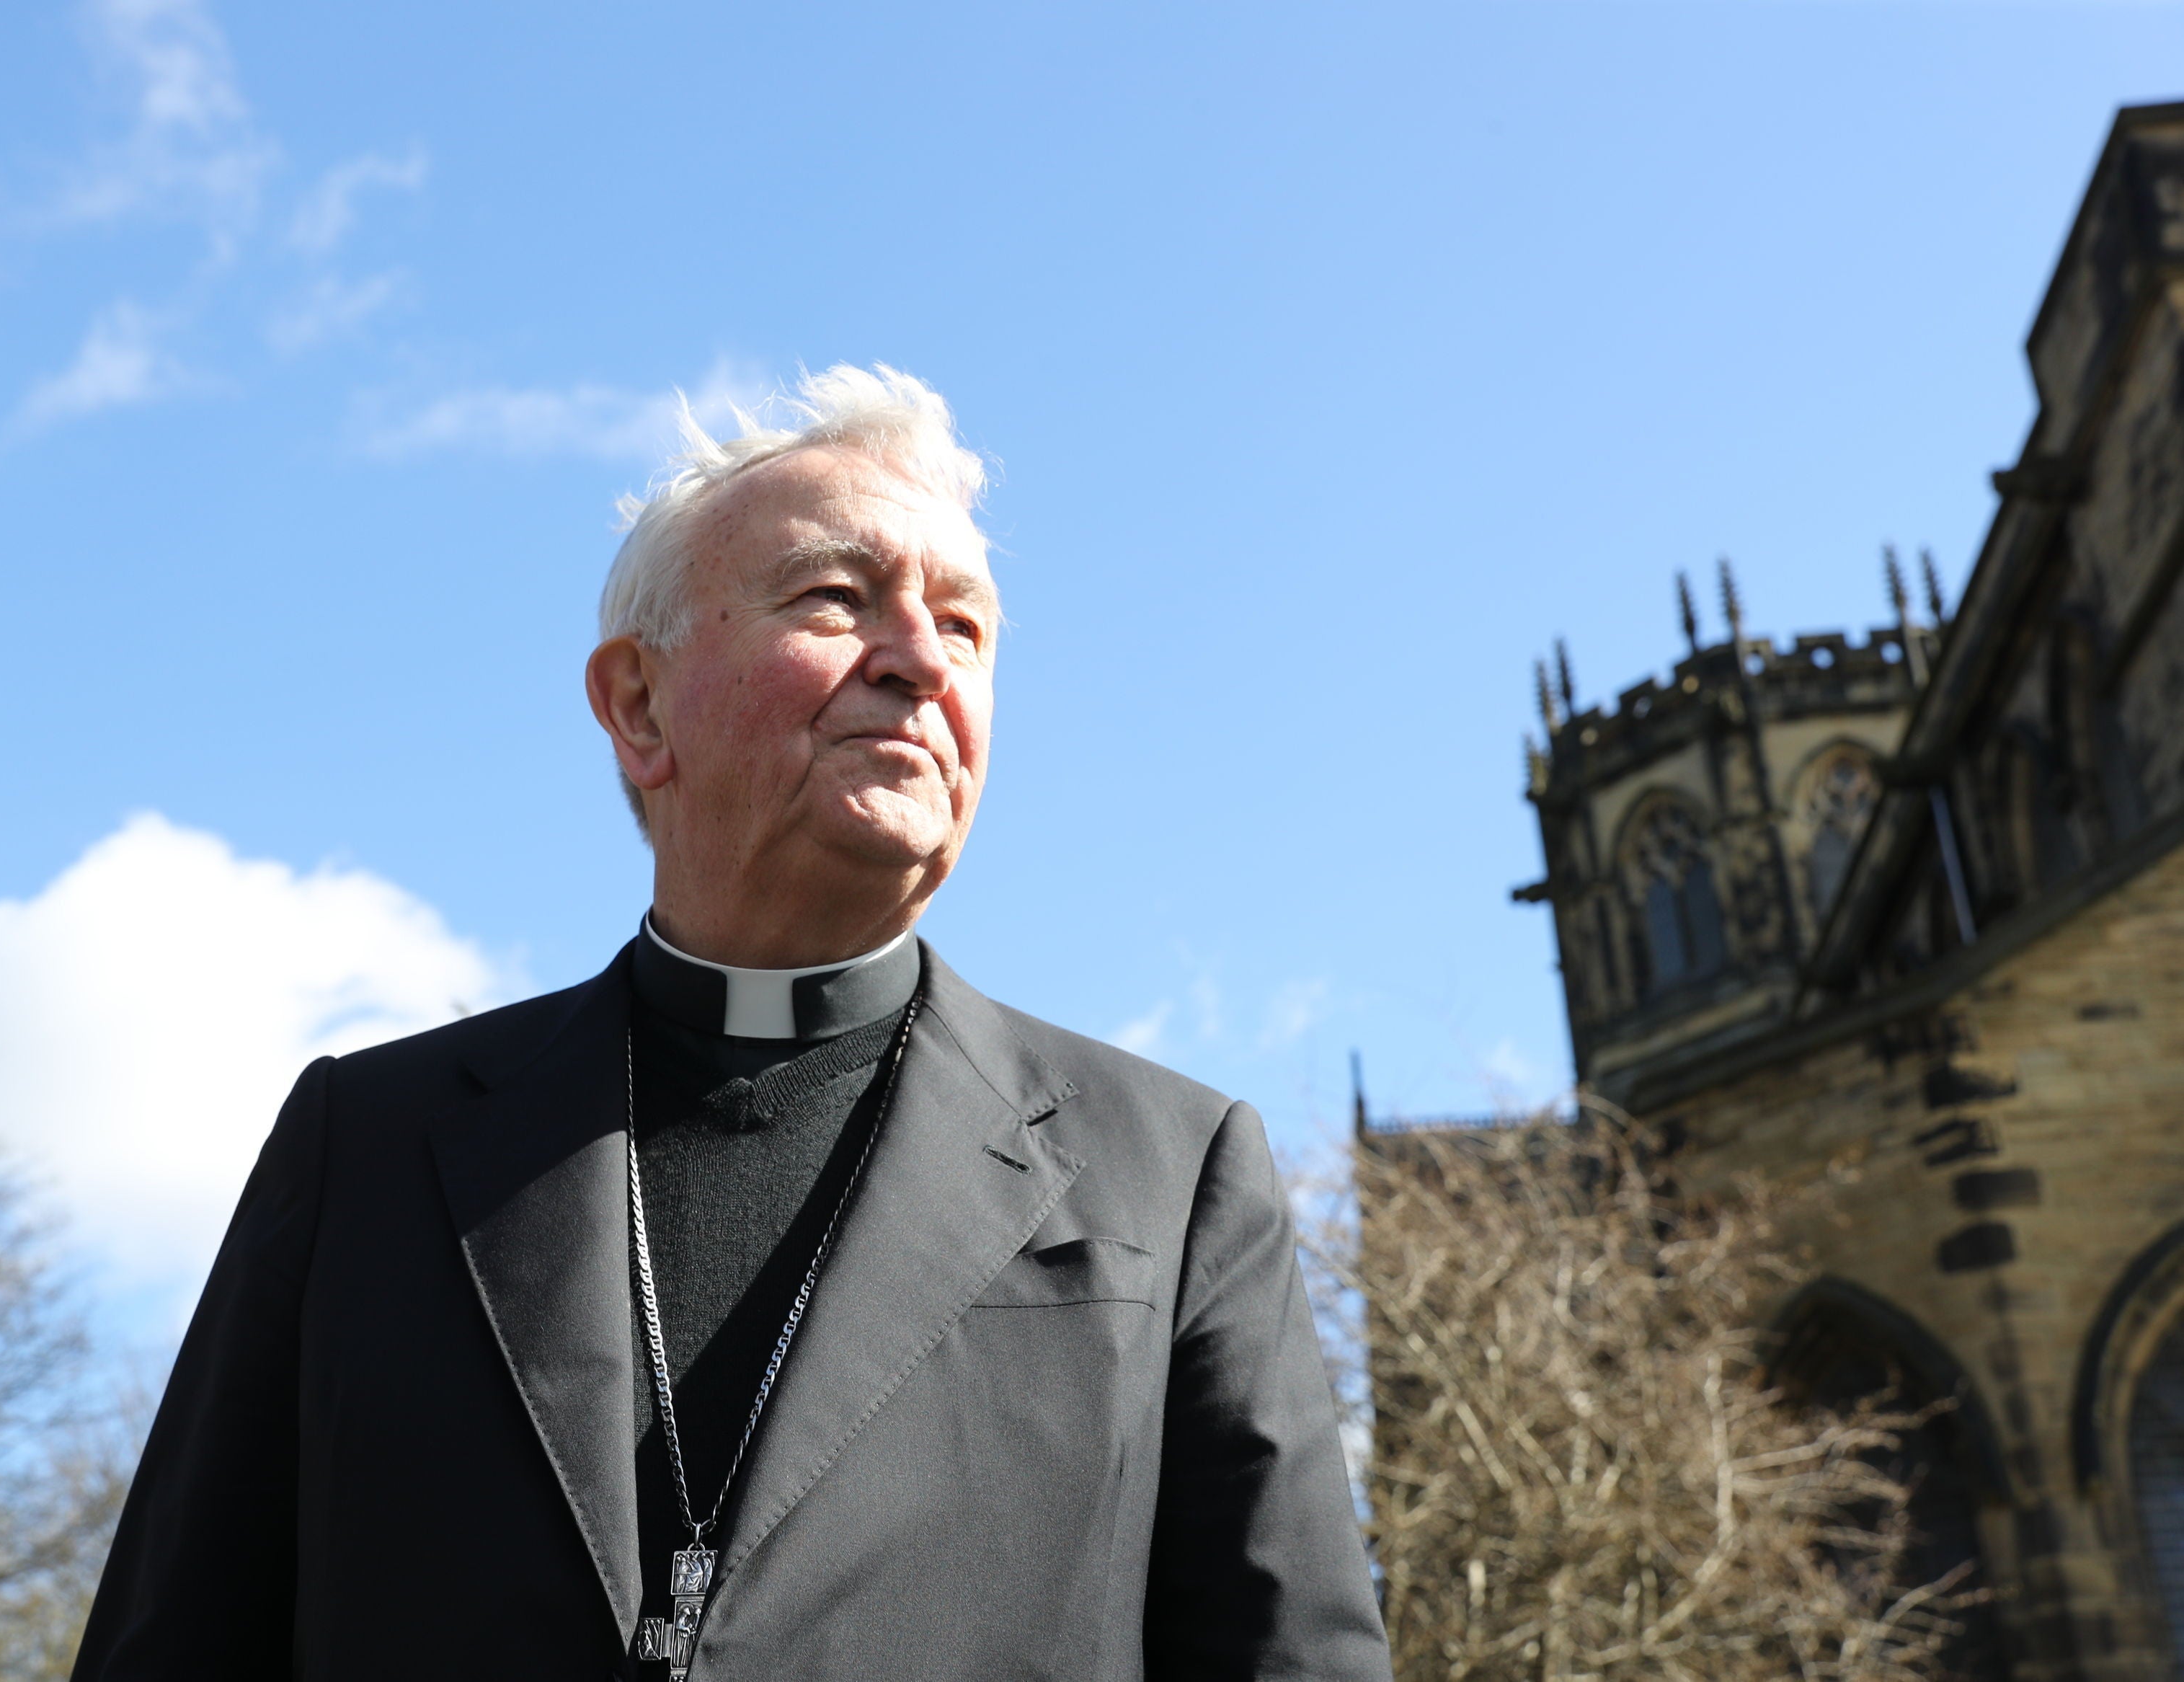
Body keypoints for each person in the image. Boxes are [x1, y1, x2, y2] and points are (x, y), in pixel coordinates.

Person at [71, 366, 1393, 1681]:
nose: (923, 659)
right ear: (640, 706)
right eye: (837, 597)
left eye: (966, 625)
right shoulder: (363, 1144)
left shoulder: (1172, 1171)